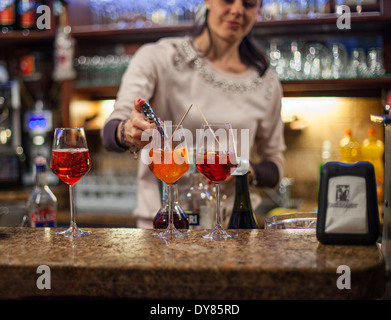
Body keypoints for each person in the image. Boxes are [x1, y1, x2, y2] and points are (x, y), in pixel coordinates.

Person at [102, 0, 286, 228]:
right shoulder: (159, 58)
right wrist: (127, 131)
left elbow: (275, 166)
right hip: (161, 230)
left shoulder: (265, 80)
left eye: (248, 3)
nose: (237, 10)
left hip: (233, 230)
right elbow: (111, 132)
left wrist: (245, 170)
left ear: (258, 10)